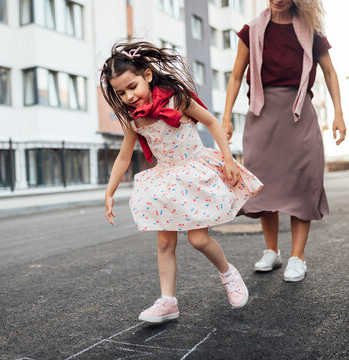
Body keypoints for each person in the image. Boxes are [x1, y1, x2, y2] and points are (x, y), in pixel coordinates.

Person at [100, 41, 263, 323]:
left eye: (132, 86)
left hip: (194, 172)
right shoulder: (132, 119)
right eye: (120, 92)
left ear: (147, 76)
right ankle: (168, 301)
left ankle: (228, 273)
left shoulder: (177, 99)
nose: (128, 96)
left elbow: (212, 123)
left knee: (199, 239)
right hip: (166, 180)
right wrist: (110, 190)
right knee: (165, 242)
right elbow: (124, 157)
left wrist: (227, 158)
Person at [222, 0, 346, 282]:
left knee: (302, 184)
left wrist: (339, 114)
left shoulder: (311, 29)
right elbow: (236, 76)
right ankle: (272, 251)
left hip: (299, 113)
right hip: (262, 114)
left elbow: (330, 72)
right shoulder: (251, 30)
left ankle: (297, 257)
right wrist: (226, 117)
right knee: (263, 185)